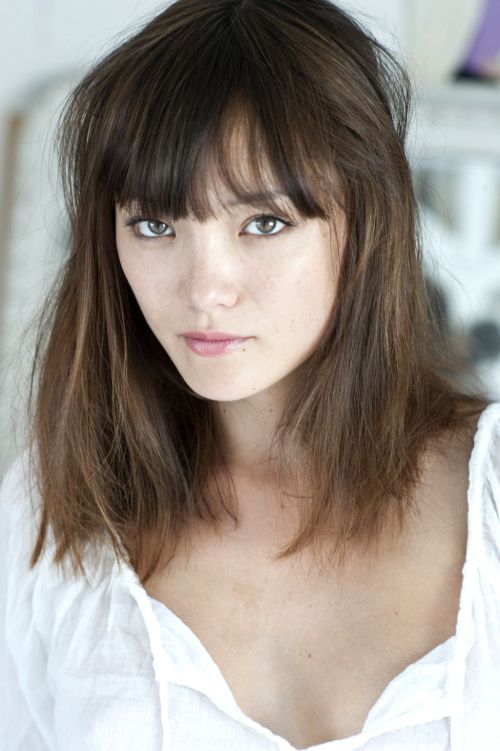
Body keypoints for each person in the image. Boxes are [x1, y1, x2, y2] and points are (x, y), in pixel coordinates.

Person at [1, 0, 499, 749]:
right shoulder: (57, 511)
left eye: (263, 222)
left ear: (366, 225)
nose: (205, 288)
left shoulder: (487, 496)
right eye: (156, 224)